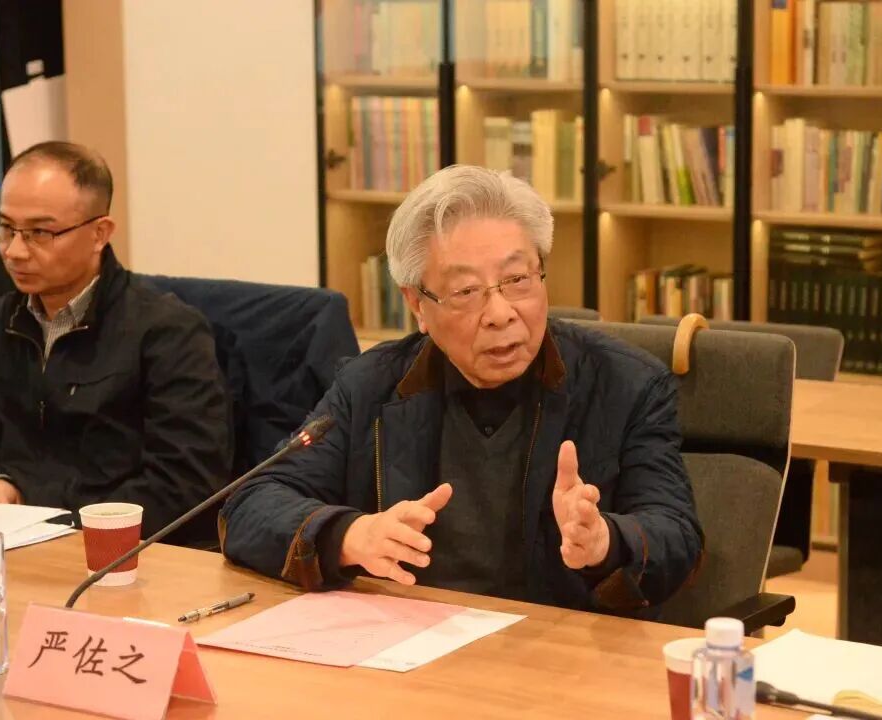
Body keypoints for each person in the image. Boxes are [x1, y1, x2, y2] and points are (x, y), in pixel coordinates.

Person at [220, 165, 702, 615]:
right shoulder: (370, 386)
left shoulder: (626, 385)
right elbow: (250, 505)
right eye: (467, 292)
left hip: (558, 651)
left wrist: (604, 542)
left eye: (517, 279)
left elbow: (678, 535)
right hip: (410, 644)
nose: (500, 313)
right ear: (417, 305)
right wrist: (350, 535)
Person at [0, 141, 232, 541]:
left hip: (120, 550)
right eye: (6, 228)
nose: (14, 251)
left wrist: (67, 530)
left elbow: (187, 480)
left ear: (100, 233)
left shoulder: (167, 332)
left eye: (39, 232)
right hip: (17, 542)